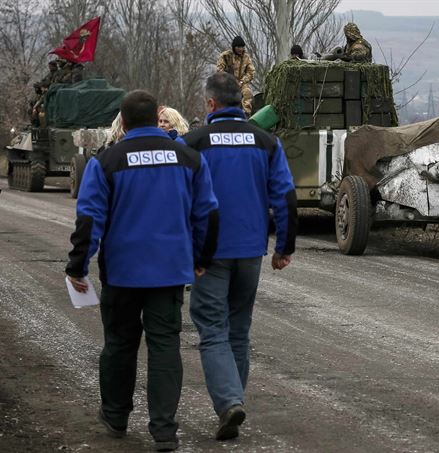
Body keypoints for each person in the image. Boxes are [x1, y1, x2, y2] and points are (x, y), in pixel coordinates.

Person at [65, 89, 219, 452]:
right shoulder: (189, 158)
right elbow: (208, 214)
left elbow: (89, 218)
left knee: (119, 343)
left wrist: (78, 264)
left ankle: (116, 415)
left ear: (124, 120)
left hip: (122, 272)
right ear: (155, 118)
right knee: (165, 346)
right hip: (169, 271)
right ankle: (164, 430)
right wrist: (201, 259)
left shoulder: (106, 161)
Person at [182, 72, 297, 441]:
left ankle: (230, 402)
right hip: (250, 252)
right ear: (241, 104)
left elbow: (178, 197)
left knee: (212, 329)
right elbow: (286, 196)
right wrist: (284, 247)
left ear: (211, 104)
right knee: (239, 330)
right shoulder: (266, 141)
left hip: (209, 253)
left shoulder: (194, 142)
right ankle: (234, 402)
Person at [216, 36, 255, 115]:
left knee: (247, 92)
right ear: (234, 47)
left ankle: (247, 114)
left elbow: (251, 72)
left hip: (241, 82)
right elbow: (219, 70)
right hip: (228, 83)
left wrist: (242, 81)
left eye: (242, 47)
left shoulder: (246, 57)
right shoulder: (226, 56)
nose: (240, 49)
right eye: (238, 47)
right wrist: (230, 80)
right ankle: (225, 114)